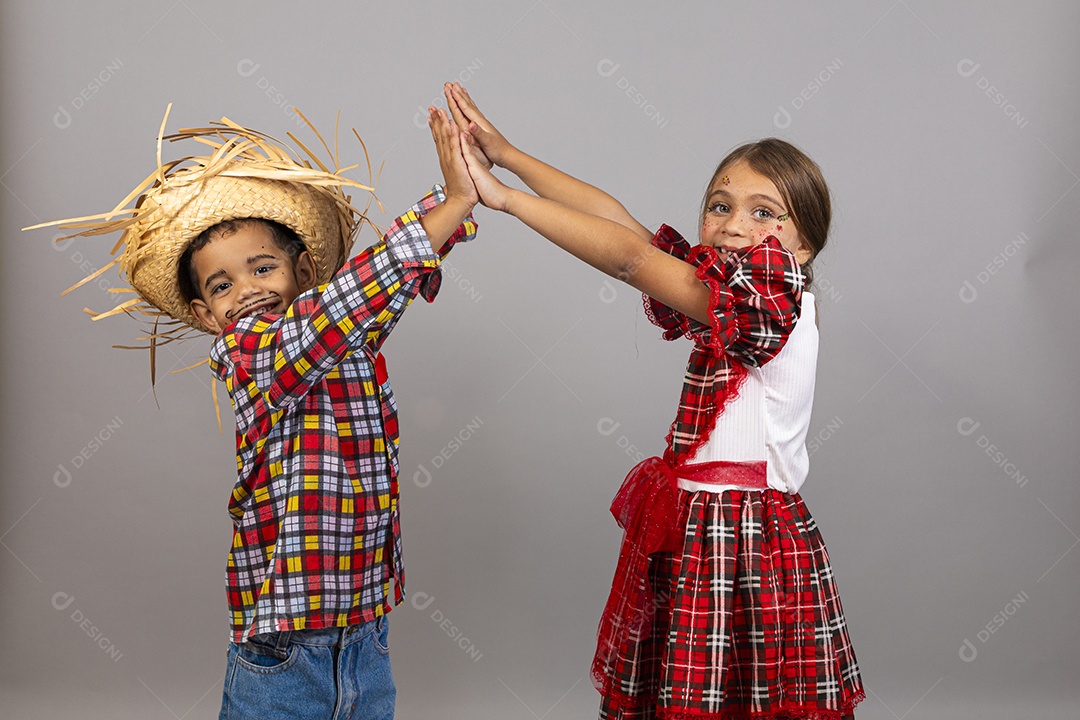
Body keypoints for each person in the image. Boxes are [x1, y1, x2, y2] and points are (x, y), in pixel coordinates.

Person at [30, 105, 478, 720]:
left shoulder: (344, 334)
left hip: (366, 636)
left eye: (262, 267)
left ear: (306, 272)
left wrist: (462, 189)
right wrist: (451, 203)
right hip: (284, 654)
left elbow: (372, 292)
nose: (245, 289)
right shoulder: (250, 355)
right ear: (205, 314)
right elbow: (335, 312)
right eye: (221, 285)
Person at [444, 82, 865, 720]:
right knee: (685, 693)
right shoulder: (724, 291)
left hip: (742, 538)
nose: (732, 224)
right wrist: (507, 154)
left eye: (763, 212)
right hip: (698, 525)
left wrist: (502, 200)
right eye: (720, 205)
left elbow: (630, 259)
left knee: (744, 698)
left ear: (804, 246)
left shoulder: (769, 305)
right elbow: (620, 222)